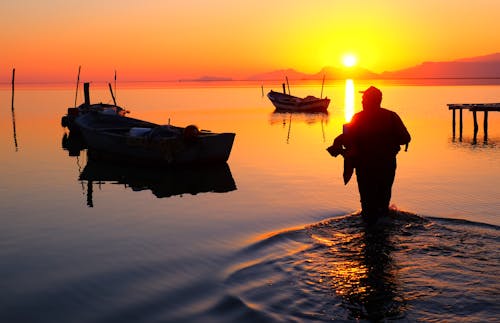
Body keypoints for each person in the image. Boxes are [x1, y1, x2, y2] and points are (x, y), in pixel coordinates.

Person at [328, 86, 411, 223]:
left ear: (370, 101)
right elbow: (406, 139)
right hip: (387, 165)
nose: (361, 101)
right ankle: (382, 230)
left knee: (367, 204)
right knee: (383, 201)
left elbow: (348, 139)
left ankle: (370, 233)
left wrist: (338, 148)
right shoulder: (391, 116)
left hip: (365, 167)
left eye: (364, 99)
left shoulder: (358, 118)